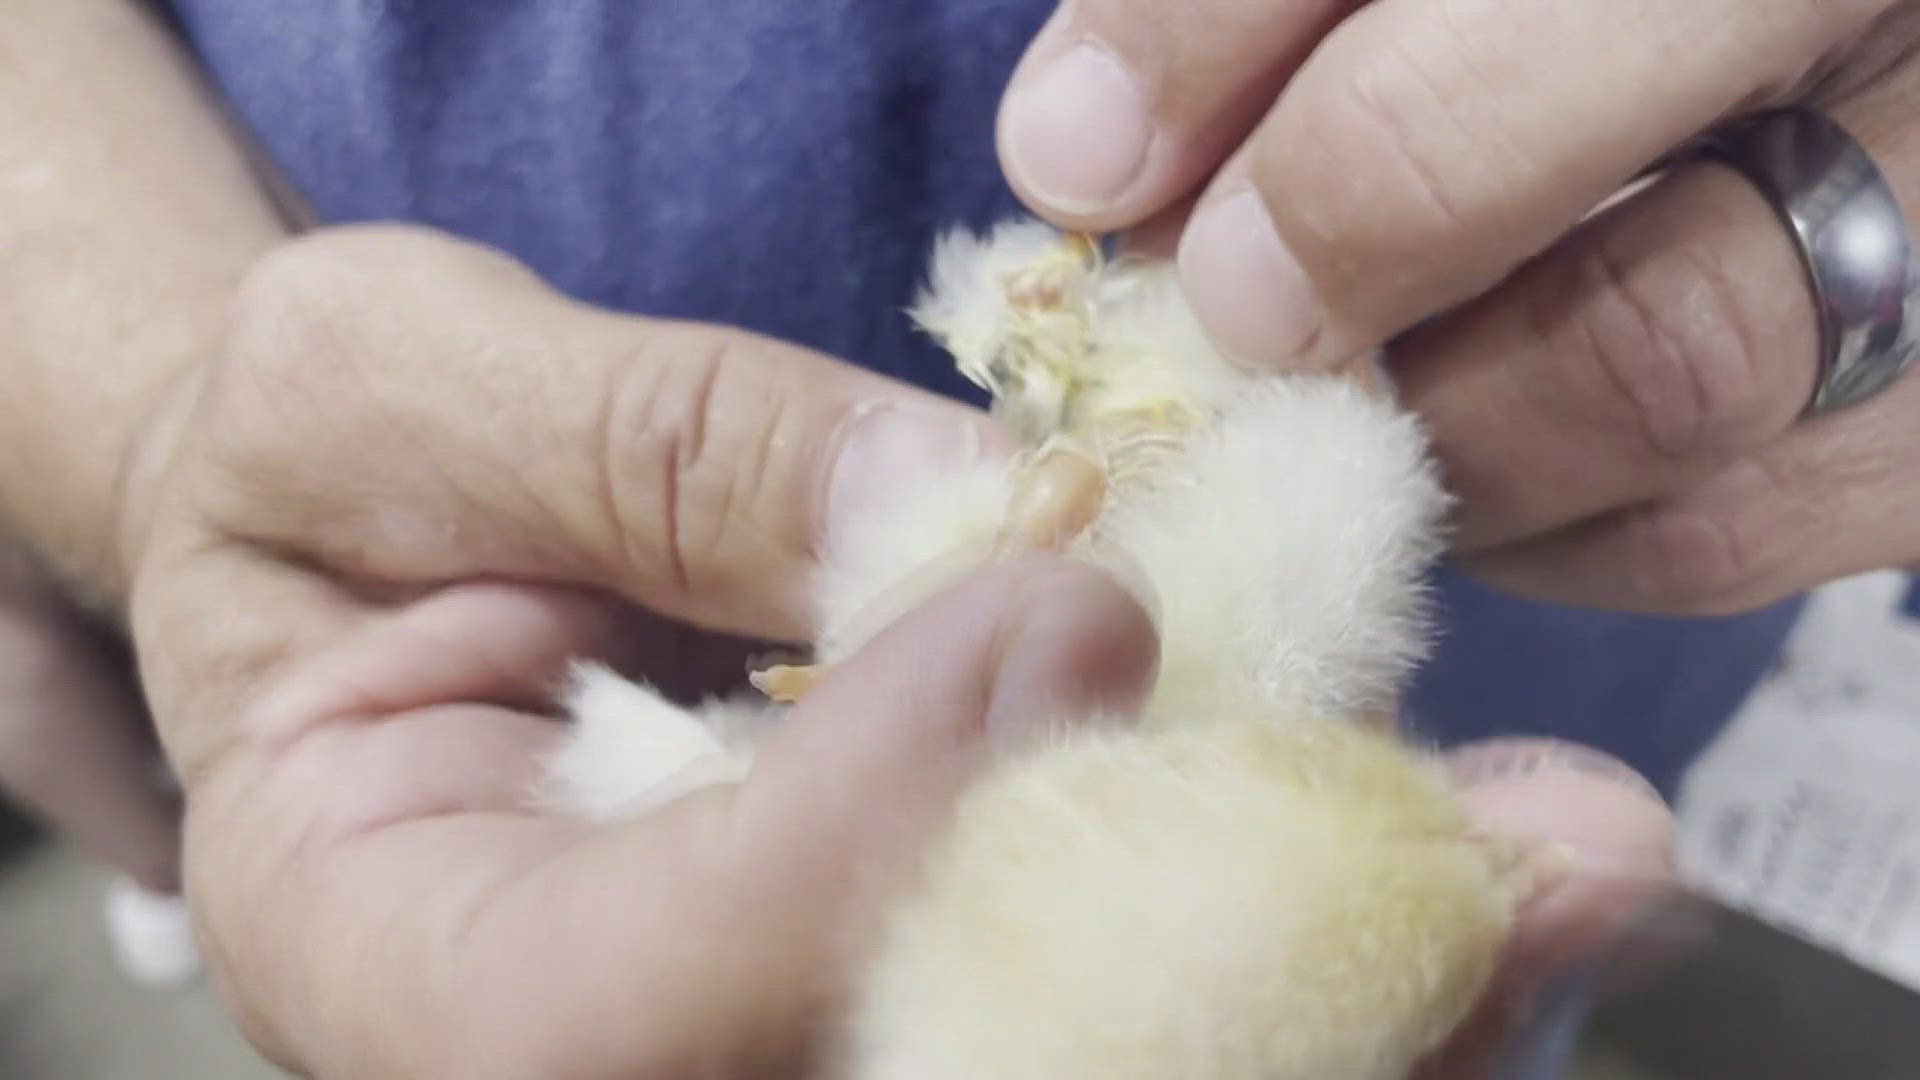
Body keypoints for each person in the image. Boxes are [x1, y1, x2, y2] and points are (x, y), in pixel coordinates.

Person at [0, 0, 1913, 1074]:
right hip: (424, 590)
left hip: (1620, 574)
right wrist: (150, 402)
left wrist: (1848, 249)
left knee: (1470, 942)